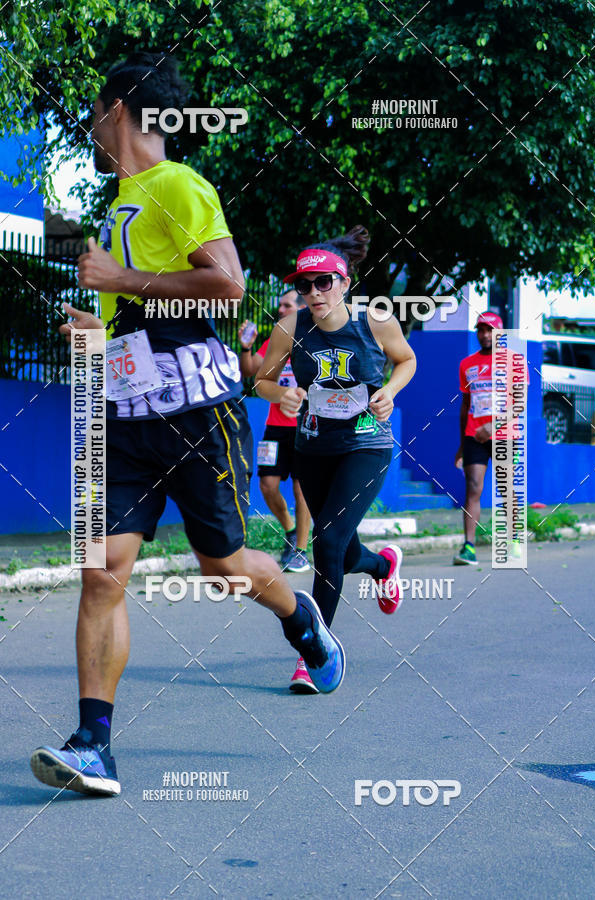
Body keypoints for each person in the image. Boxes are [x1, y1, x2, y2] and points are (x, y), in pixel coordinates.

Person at [30, 53, 345, 798]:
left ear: (118, 111)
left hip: (199, 419)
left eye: (96, 112)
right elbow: (146, 313)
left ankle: (302, 619)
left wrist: (118, 280)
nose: (91, 129)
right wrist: (98, 324)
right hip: (128, 417)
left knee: (225, 569)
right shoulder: (121, 202)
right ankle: (94, 746)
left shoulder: (176, 184)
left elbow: (227, 282)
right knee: (101, 571)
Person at [255, 225, 417, 689]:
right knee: (340, 552)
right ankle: (384, 566)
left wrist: (388, 390)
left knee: (325, 544)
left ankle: (314, 653)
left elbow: (406, 360)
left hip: (366, 446)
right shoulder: (290, 326)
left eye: (323, 282)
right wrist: (281, 394)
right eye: (304, 285)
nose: (313, 293)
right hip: (313, 448)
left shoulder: (375, 321)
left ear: (345, 283)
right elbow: (262, 381)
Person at [238, 289, 312, 575]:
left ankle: (301, 550)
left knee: (301, 488)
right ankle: (291, 531)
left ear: (301, 309)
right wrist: (246, 347)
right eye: (279, 305)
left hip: (306, 427)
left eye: (286, 305)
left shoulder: (313, 343)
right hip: (275, 427)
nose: (280, 309)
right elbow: (249, 371)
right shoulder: (275, 341)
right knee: (267, 486)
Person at [453, 311, 528, 565]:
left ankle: (515, 538)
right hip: (474, 436)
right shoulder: (467, 364)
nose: (485, 335)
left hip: (505, 435)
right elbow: (465, 405)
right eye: (481, 330)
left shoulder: (515, 361)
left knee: (506, 489)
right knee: (473, 487)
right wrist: (461, 445)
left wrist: (493, 425)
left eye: (490, 330)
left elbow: (519, 404)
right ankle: (468, 547)